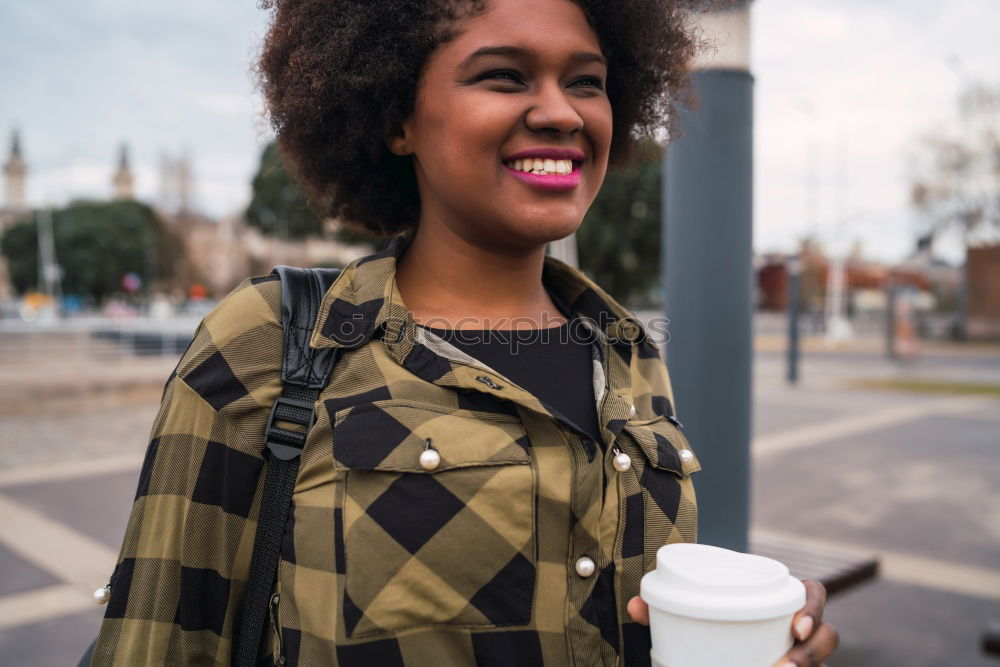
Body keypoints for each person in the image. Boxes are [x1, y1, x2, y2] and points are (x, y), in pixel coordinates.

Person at [90, 0, 838, 665]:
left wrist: (752, 628)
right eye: (505, 76)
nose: (562, 112)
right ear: (397, 119)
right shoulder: (271, 343)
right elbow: (157, 641)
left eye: (586, 81)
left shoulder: (631, 352)